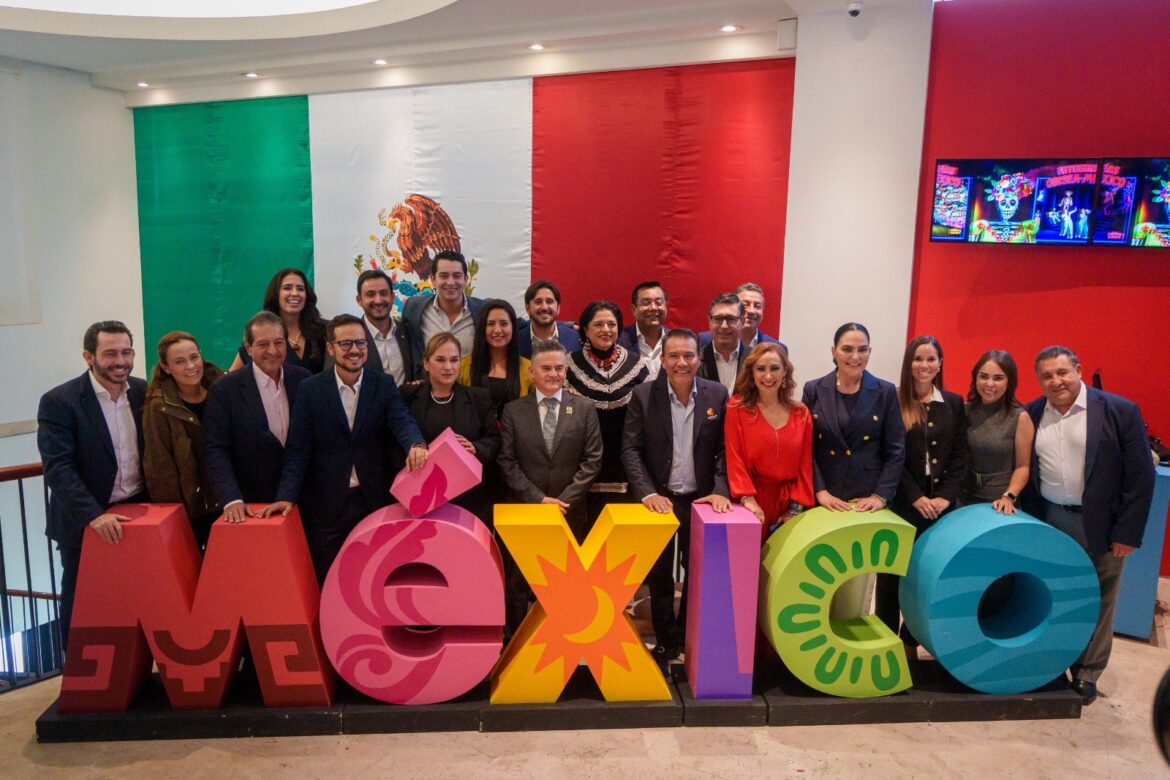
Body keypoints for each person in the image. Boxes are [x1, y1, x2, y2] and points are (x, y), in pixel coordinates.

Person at [1021, 345, 1156, 705]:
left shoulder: (1120, 411)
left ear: (1078, 370)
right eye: (1047, 376)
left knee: (1100, 597)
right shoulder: (1032, 413)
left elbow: (1141, 477)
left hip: (1102, 525)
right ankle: (1054, 662)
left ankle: (1087, 671)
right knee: (1051, 593)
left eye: (1062, 372)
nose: (1056, 381)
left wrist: (1127, 532)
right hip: (1051, 520)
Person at [261, 314, 428, 582]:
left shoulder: (383, 384)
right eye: (346, 343)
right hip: (326, 507)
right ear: (331, 347)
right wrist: (286, 495)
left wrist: (415, 444)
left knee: (375, 577)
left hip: (372, 501)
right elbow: (298, 449)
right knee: (329, 580)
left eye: (360, 343)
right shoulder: (310, 389)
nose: (355, 350)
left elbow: (401, 420)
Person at [622, 328, 732, 667]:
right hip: (659, 499)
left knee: (696, 571)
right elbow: (631, 450)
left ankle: (687, 636)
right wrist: (647, 493)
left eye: (688, 355)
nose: (681, 362)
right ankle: (666, 641)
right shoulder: (643, 395)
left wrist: (719, 490)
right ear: (663, 360)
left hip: (700, 500)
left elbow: (725, 450)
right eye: (673, 356)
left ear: (699, 358)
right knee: (659, 574)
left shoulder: (717, 394)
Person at [37, 321, 148, 647]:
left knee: (136, 598)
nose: (120, 361)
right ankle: (75, 670)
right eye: (110, 353)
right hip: (85, 522)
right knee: (82, 603)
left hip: (138, 514)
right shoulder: (60, 401)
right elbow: (58, 467)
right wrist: (94, 515)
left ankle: (134, 668)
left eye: (126, 352)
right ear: (89, 356)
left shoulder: (143, 391)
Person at [802, 322, 905, 618]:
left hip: (864, 502)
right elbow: (804, 448)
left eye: (862, 350)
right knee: (819, 578)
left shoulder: (885, 391)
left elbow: (896, 449)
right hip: (825, 500)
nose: (855, 356)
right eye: (847, 349)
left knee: (855, 584)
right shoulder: (814, 389)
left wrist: (880, 496)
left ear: (870, 352)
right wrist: (820, 490)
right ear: (834, 351)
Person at [499, 341, 603, 632]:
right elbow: (507, 462)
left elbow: (593, 460)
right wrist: (538, 499)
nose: (553, 374)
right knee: (518, 581)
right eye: (546, 368)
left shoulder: (584, 408)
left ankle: (565, 640)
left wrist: (563, 501)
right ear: (531, 372)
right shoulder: (513, 411)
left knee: (567, 582)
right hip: (526, 511)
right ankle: (515, 641)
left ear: (566, 370)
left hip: (570, 512)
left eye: (559, 368)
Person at [881, 336, 968, 637]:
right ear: (909, 363)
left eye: (931, 359)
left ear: (940, 364)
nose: (924, 365)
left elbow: (960, 455)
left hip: (941, 508)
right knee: (891, 576)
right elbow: (892, 455)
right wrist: (915, 496)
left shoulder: (953, 403)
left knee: (928, 576)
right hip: (903, 504)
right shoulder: (893, 400)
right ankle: (886, 640)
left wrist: (945, 496)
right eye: (918, 359)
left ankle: (912, 639)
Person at [205, 311, 312, 524]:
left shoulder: (304, 380)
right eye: (263, 344)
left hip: (303, 498)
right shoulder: (224, 389)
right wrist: (231, 498)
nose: (272, 350)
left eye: (279, 342)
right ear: (248, 348)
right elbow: (216, 448)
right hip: (250, 505)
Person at [567, 300, 650, 527]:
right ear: (585, 329)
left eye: (612, 324)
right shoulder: (568, 366)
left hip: (625, 460)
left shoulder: (637, 365)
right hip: (579, 462)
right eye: (598, 324)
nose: (606, 330)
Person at [401, 333, 500, 521]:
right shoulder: (408, 396)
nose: (448, 367)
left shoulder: (479, 398)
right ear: (426, 363)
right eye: (440, 360)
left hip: (469, 498)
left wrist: (476, 447)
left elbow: (495, 440)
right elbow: (398, 438)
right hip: (421, 495)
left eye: (454, 360)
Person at [142, 331, 226, 549]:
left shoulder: (223, 390)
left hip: (230, 501)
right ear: (166, 367)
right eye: (179, 361)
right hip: (191, 512)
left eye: (194, 357)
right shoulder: (158, 407)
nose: (190, 366)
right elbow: (160, 468)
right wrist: (175, 517)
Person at [724, 343, 814, 535]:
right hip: (750, 502)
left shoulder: (801, 413)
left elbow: (805, 466)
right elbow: (734, 458)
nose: (768, 376)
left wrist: (795, 508)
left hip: (790, 506)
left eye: (774, 368)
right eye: (760, 369)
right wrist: (747, 498)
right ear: (751, 373)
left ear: (785, 371)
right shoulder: (737, 408)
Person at [960, 349, 1034, 513]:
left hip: (999, 503)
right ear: (975, 378)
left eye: (998, 378)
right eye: (984, 376)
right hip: (963, 499)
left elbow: (1022, 467)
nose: (989, 384)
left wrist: (1008, 497)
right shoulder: (964, 410)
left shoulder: (1020, 417)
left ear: (1009, 382)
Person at [400, 249, 485, 373]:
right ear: (433, 279)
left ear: (466, 279)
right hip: (429, 384)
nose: (450, 282)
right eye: (444, 276)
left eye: (457, 276)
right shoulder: (413, 308)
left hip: (470, 384)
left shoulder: (482, 310)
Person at [230, 268, 327, 374]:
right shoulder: (259, 333)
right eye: (287, 288)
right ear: (276, 294)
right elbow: (231, 378)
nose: (295, 293)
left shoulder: (323, 330)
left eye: (300, 289)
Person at [459, 299, 533, 420]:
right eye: (491, 324)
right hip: (473, 431)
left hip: (515, 432)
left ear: (513, 327)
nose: (497, 330)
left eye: (504, 324)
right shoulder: (464, 366)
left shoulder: (529, 368)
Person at [351, 269, 414, 384]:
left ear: (392, 297)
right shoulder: (352, 338)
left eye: (383, 293)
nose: (378, 300)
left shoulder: (407, 331)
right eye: (371, 294)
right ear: (359, 300)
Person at [617, 281, 668, 380]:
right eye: (646, 303)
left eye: (658, 303)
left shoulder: (677, 340)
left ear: (665, 307)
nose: (653, 308)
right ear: (633, 309)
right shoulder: (619, 341)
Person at [516, 279, 581, 358]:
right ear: (527, 308)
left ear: (558, 308)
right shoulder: (515, 341)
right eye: (538, 302)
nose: (544, 307)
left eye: (549, 301)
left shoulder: (576, 339)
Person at [698, 292, 747, 394]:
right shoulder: (696, 360)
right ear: (709, 321)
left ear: (742, 322)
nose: (724, 326)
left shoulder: (754, 359)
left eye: (731, 319)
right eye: (718, 319)